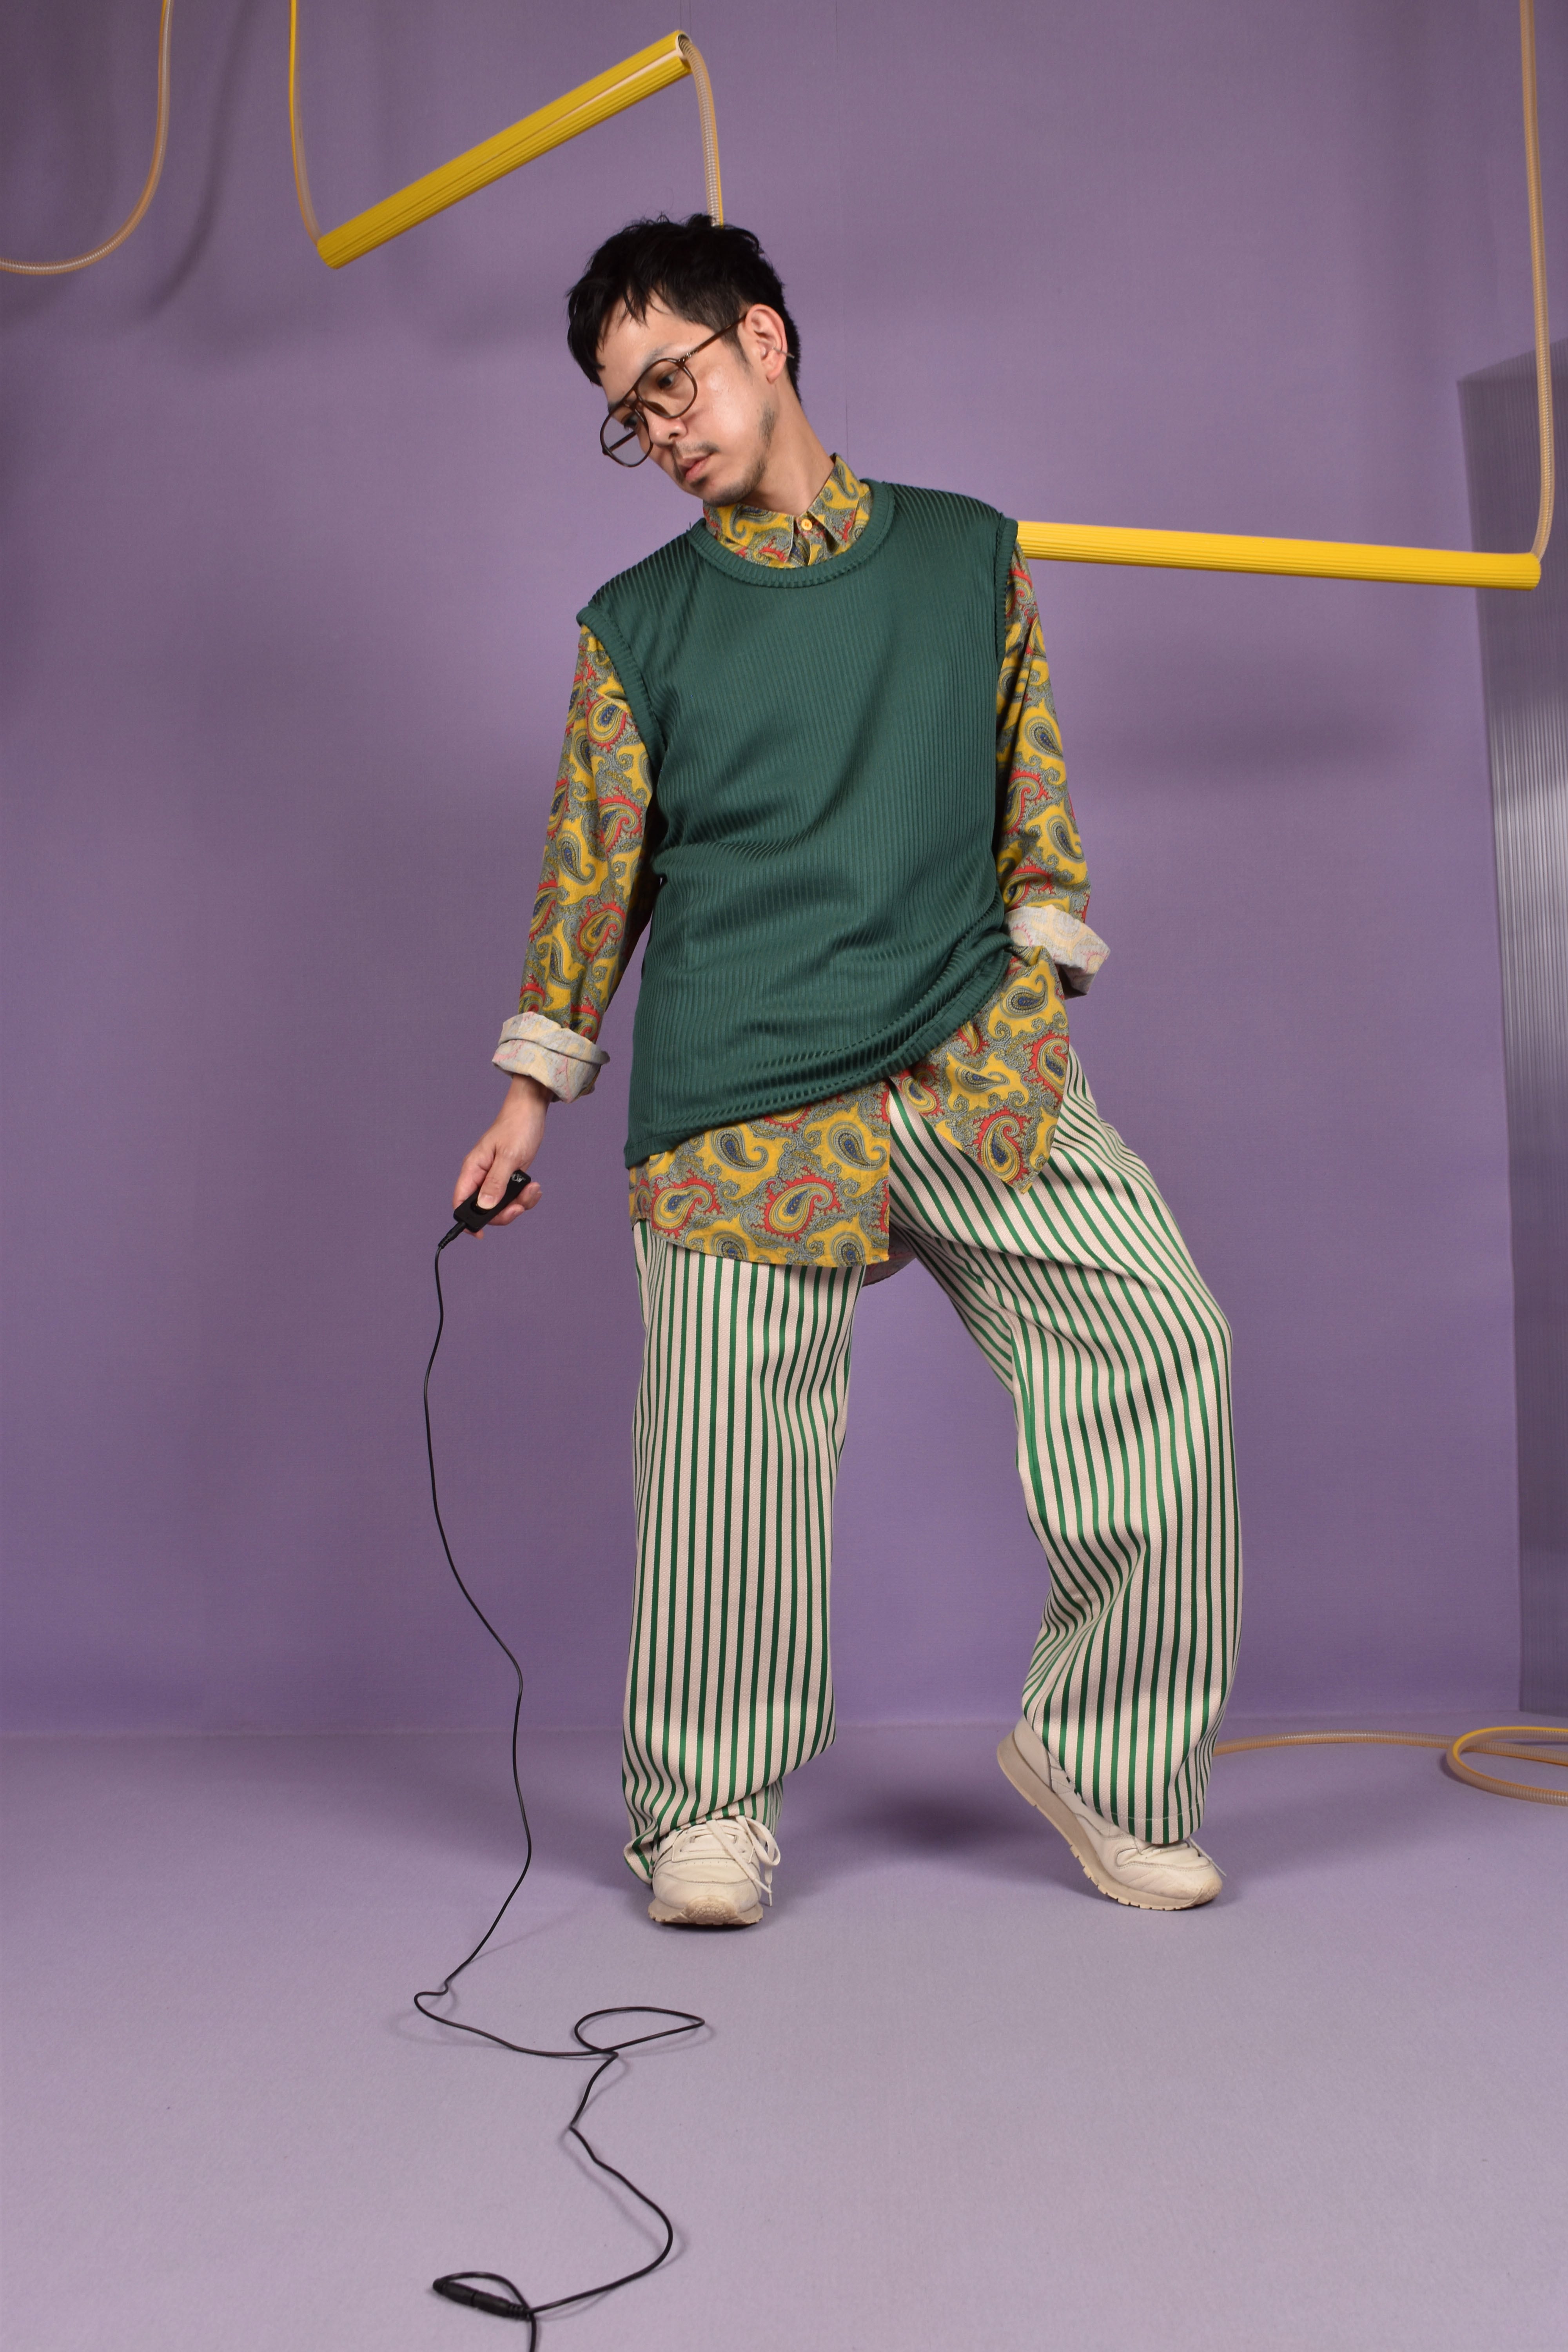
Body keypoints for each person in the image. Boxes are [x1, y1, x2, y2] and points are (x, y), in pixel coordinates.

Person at [454, 215, 1240, 1928]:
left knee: (1164, 1344)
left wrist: (1033, 995)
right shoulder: (637, 626)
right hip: (742, 1093)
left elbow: (1036, 797)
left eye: (671, 381)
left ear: (765, 339)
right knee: (726, 1463)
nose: (660, 429)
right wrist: (528, 1103)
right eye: (627, 414)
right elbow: (591, 876)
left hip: (967, 1051)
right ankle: (704, 1808)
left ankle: (1105, 1757)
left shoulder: (966, 554)